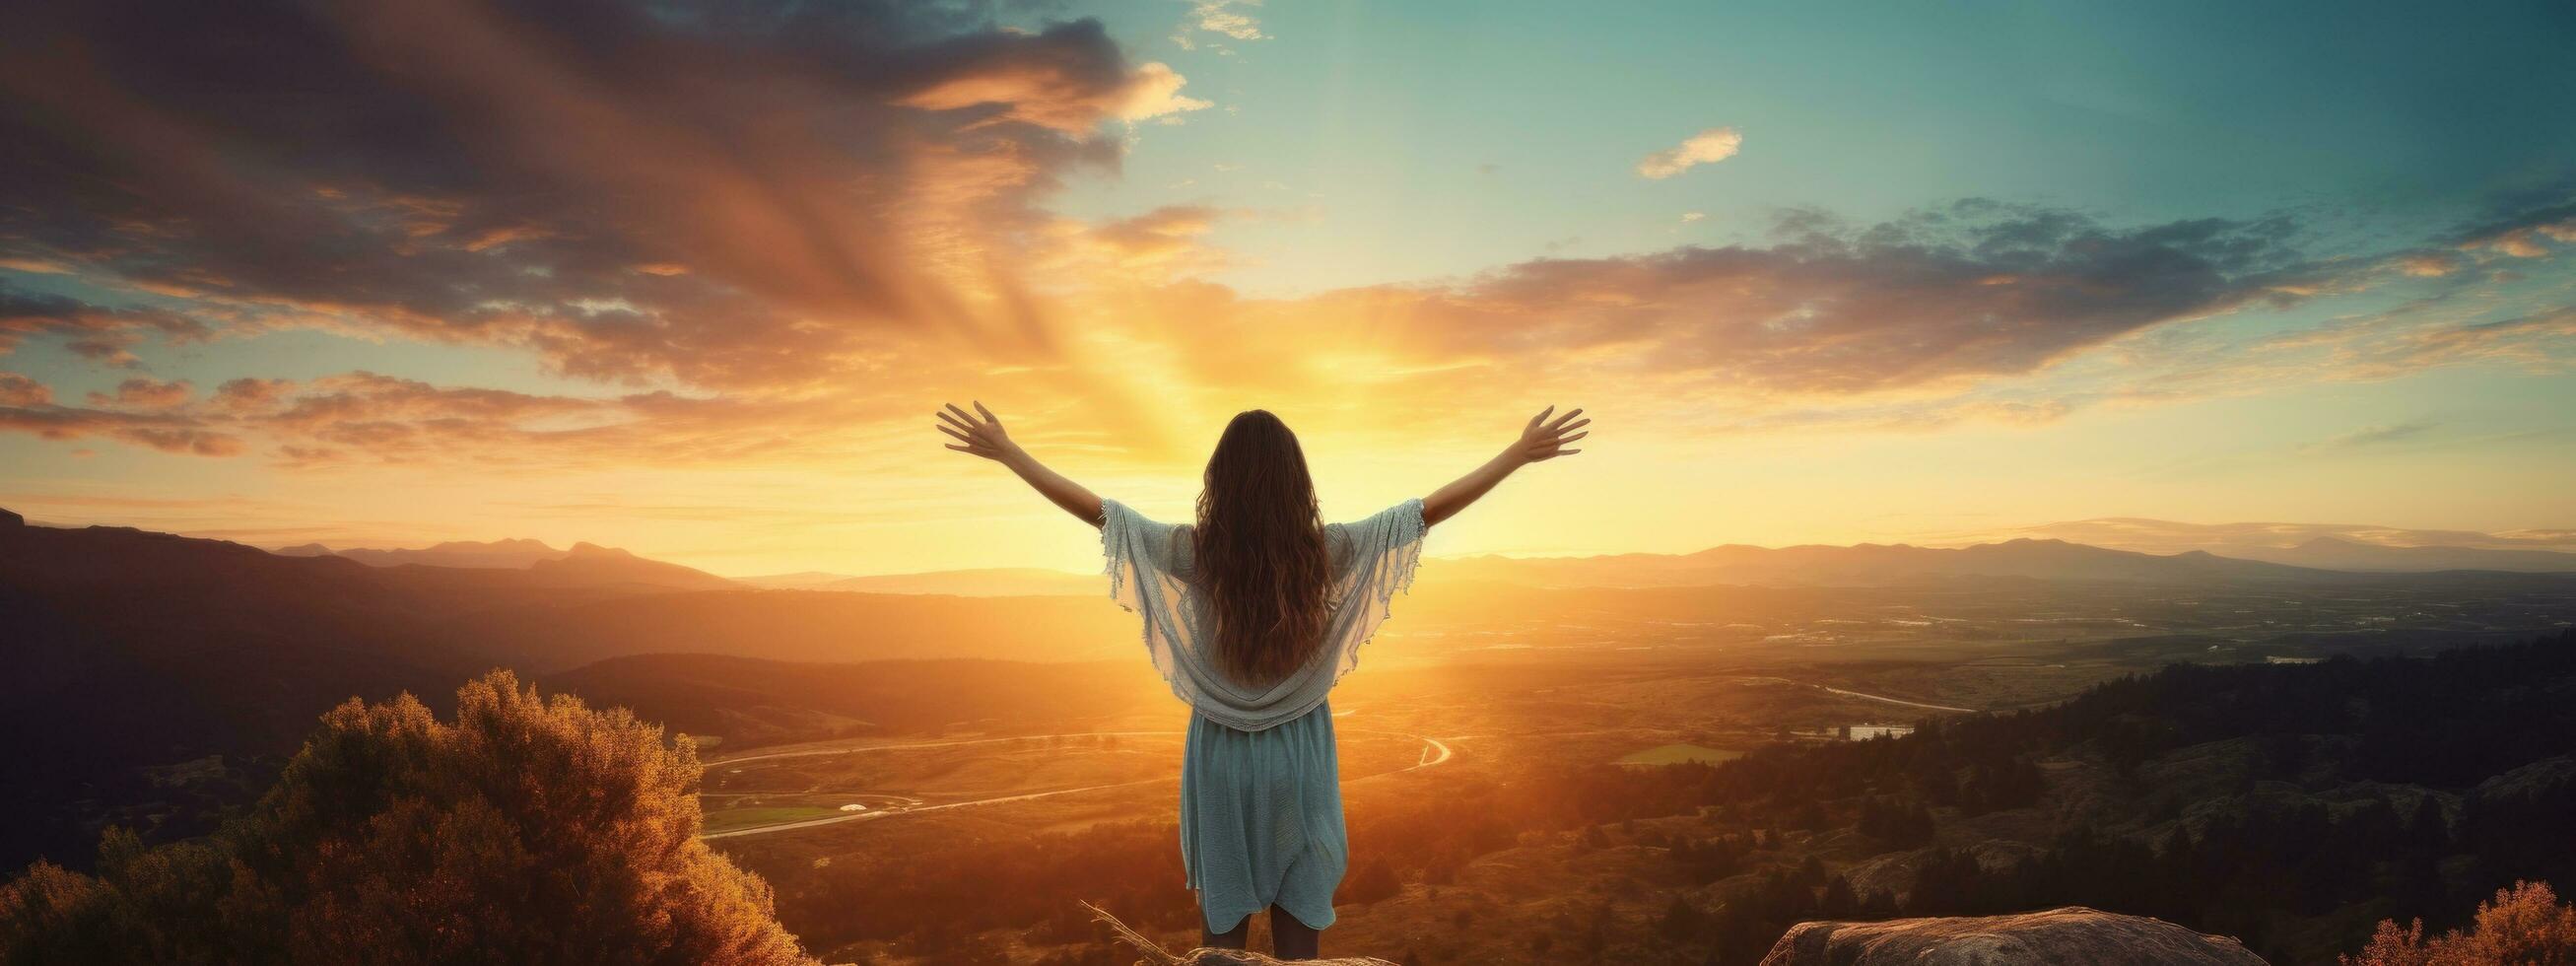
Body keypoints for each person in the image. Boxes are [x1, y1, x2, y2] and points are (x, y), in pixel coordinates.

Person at [935, 402, 1589, 960]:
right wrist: (1516, 454)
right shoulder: (1321, 553)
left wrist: (1012, 453)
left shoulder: (1196, 553)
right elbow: (1425, 512)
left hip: (1219, 755)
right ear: (1294, 481)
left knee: (1221, 945)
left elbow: (1104, 516)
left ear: (1220, 480)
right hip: (1298, 754)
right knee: (1298, 948)